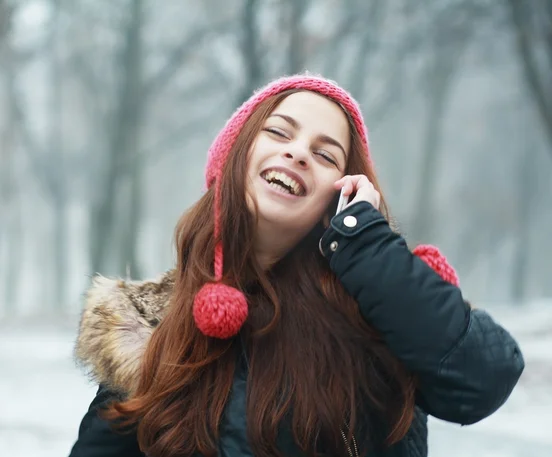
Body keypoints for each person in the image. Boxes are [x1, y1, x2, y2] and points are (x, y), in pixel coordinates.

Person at [68, 74, 524, 457]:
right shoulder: (150, 327)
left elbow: (483, 379)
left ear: (340, 193)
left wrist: (367, 245)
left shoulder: (373, 320)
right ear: (238, 156)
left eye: (326, 155)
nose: (299, 153)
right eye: (280, 132)